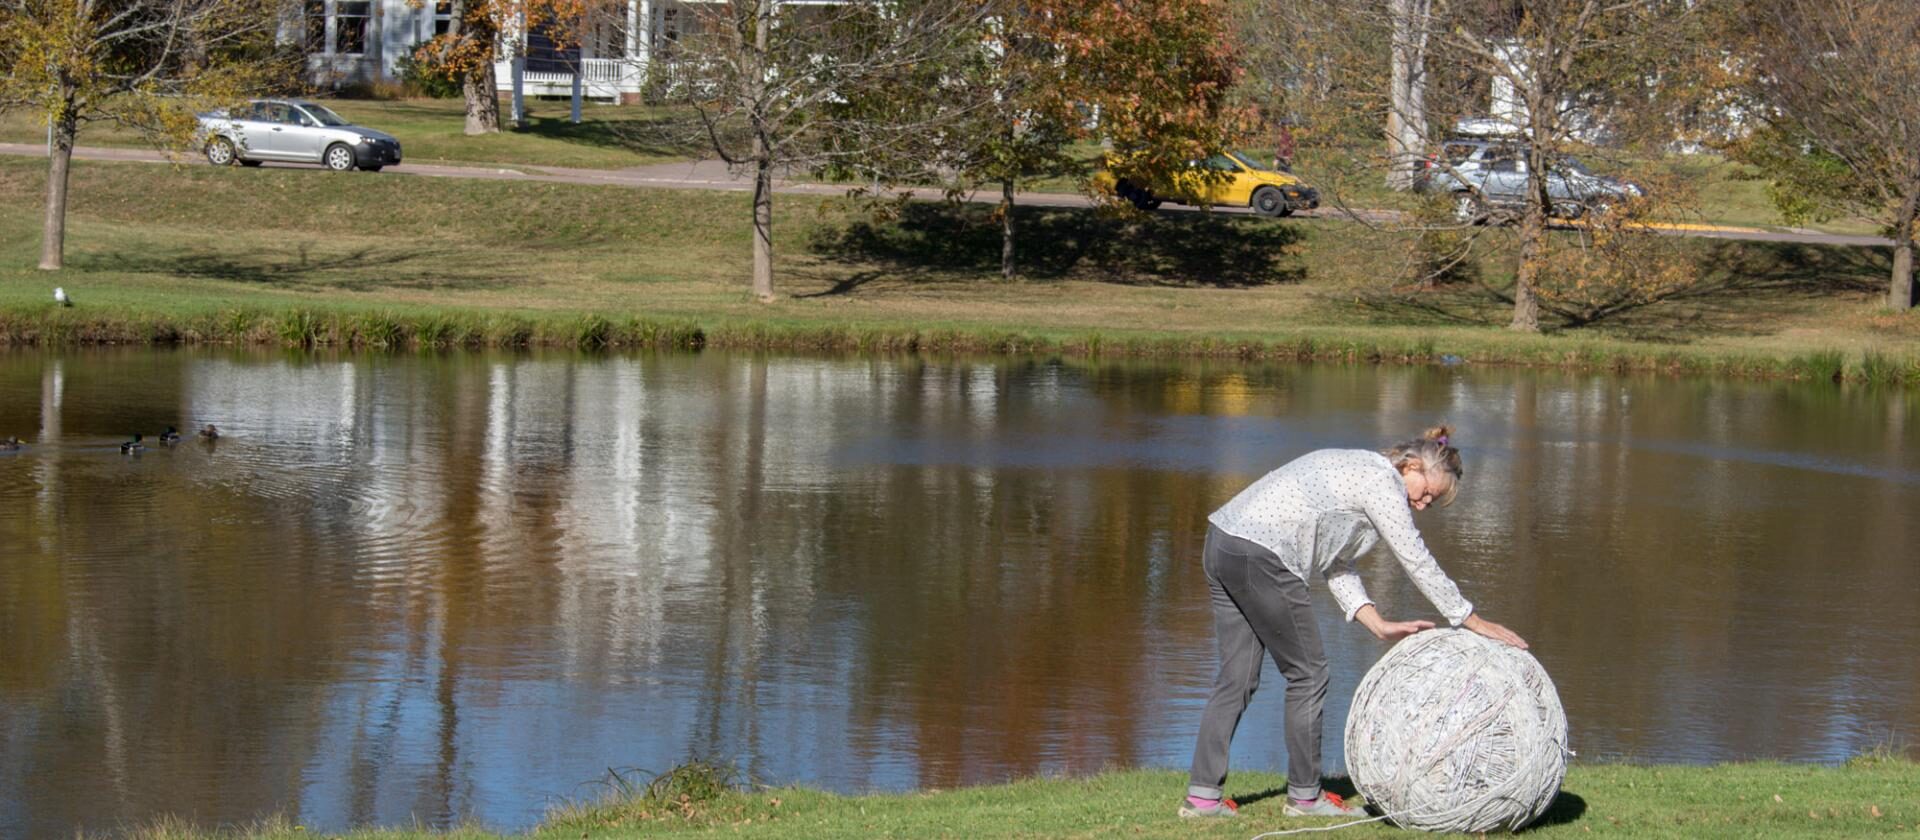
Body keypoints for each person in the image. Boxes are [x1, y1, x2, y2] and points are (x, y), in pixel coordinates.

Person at [1179, 425, 1527, 819]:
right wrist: (1469, 618)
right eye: (1427, 491)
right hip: (1264, 556)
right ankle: (1305, 798)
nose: (1425, 503)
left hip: (1223, 543)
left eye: (1434, 501)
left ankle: (1203, 798)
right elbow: (1415, 558)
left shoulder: (1363, 472)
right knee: (1308, 674)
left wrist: (1375, 622)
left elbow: (1335, 562)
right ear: (1410, 465)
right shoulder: (1383, 482)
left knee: (1237, 677)